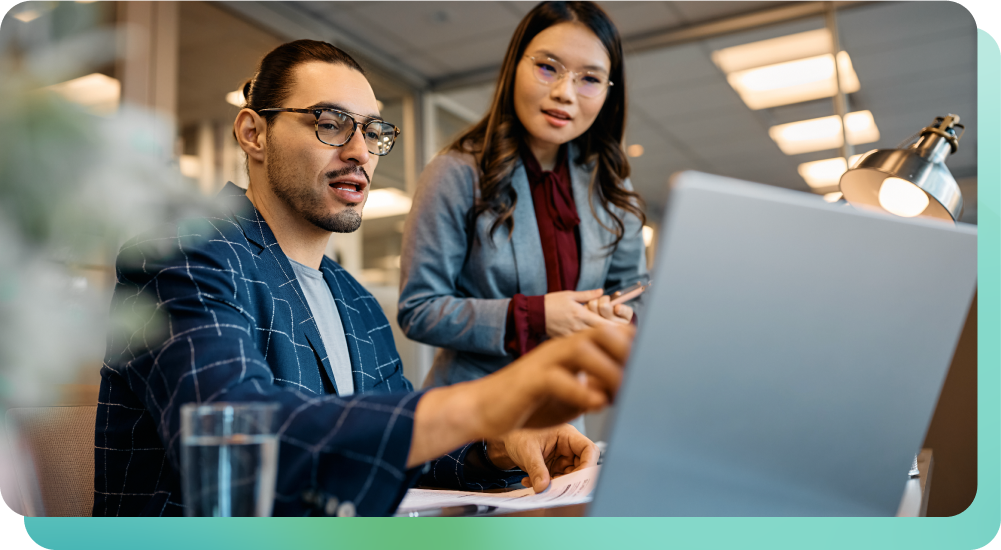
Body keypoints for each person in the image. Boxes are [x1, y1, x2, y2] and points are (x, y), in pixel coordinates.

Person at [94, 39, 634, 517]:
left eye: (373, 132)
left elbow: (390, 449)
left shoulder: (353, 300)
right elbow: (238, 441)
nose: (359, 152)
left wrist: (497, 442)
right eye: (329, 123)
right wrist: (488, 400)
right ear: (253, 133)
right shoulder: (181, 252)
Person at [398, 0, 648, 398]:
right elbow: (419, 311)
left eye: (590, 79)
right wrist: (535, 316)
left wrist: (619, 318)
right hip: (470, 415)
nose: (564, 93)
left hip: (561, 411)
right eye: (548, 67)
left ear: (607, 93)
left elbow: (636, 294)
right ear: (515, 66)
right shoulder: (457, 172)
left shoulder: (610, 184)